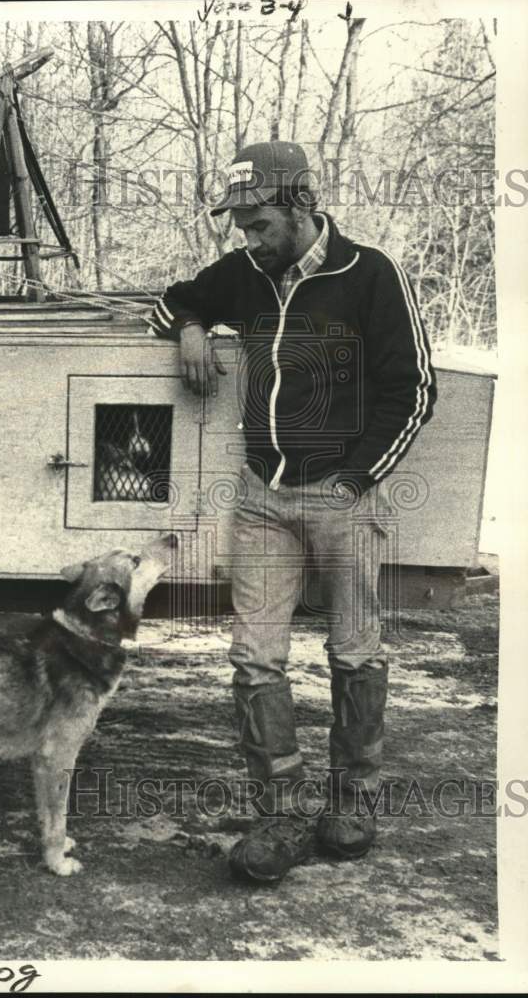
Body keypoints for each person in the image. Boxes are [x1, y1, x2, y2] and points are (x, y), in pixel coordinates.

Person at [149, 140, 437, 883]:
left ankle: (354, 800)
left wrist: (358, 477)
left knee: (355, 651)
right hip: (261, 496)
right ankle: (279, 811)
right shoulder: (245, 273)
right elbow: (172, 296)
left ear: (302, 204)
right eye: (241, 226)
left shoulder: (370, 275)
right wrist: (188, 328)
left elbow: (414, 390)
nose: (248, 239)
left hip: (343, 495)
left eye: (258, 223)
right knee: (254, 659)